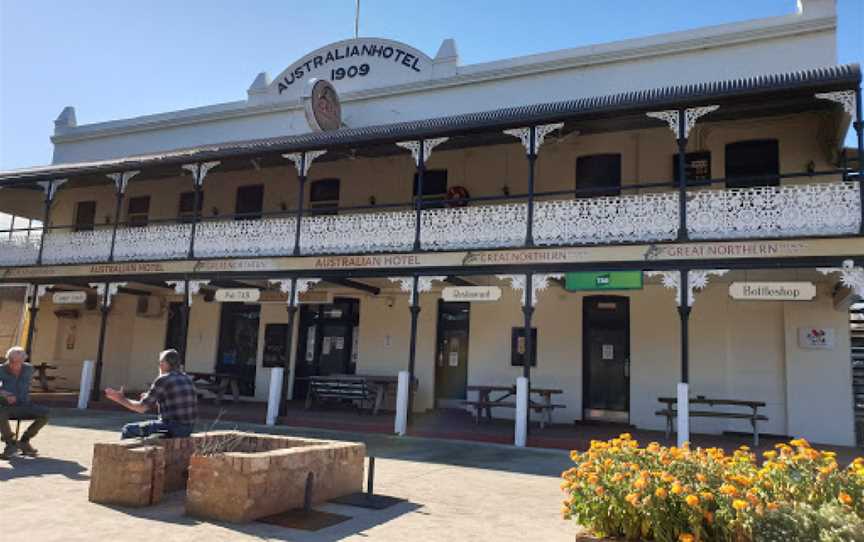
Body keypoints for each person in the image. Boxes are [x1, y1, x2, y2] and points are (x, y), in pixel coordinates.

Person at [105, 349, 197, 439]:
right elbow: (174, 404)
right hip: (188, 428)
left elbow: (141, 408)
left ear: (164, 363)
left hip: (172, 428)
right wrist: (153, 398)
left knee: (128, 429)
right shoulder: (187, 378)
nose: (159, 366)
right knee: (147, 429)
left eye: (160, 362)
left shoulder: (163, 379)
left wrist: (120, 398)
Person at [0, 346, 50, 459]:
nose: (15, 365)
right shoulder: (1, 369)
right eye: (12, 361)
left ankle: (24, 441)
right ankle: (10, 444)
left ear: (23, 361)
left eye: (19, 362)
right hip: (7, 406)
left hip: (25, 405)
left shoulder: (28, 369)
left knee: (45, 413)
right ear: (8, 359)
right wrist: (4, 393)